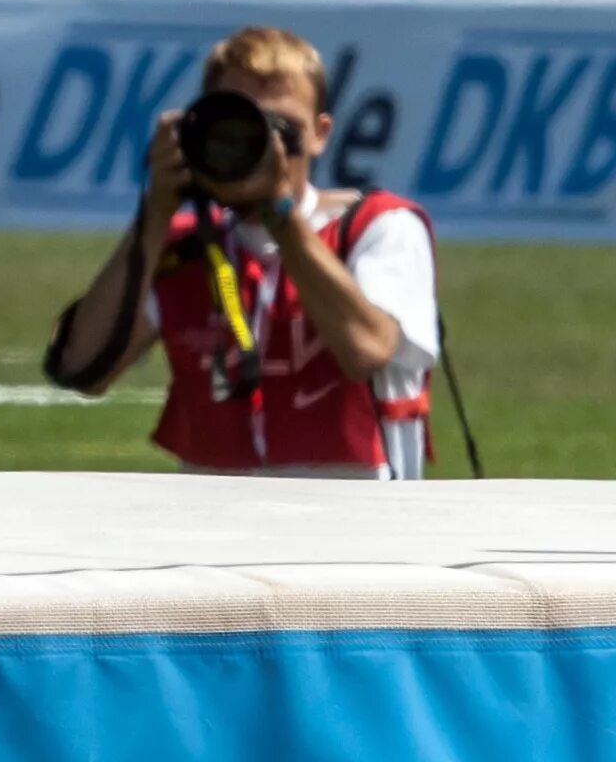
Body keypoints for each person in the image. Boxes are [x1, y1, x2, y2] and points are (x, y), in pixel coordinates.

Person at [42, 26, 442, 480]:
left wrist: (281, 216)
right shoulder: (186, 247)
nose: (259, 146)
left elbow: (365, 351)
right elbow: (82, 367)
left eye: (280, 128)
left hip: (356, 532)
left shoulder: (378, 228)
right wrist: (154, 215)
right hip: (220, 538)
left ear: (319, 134)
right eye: (237, 127)